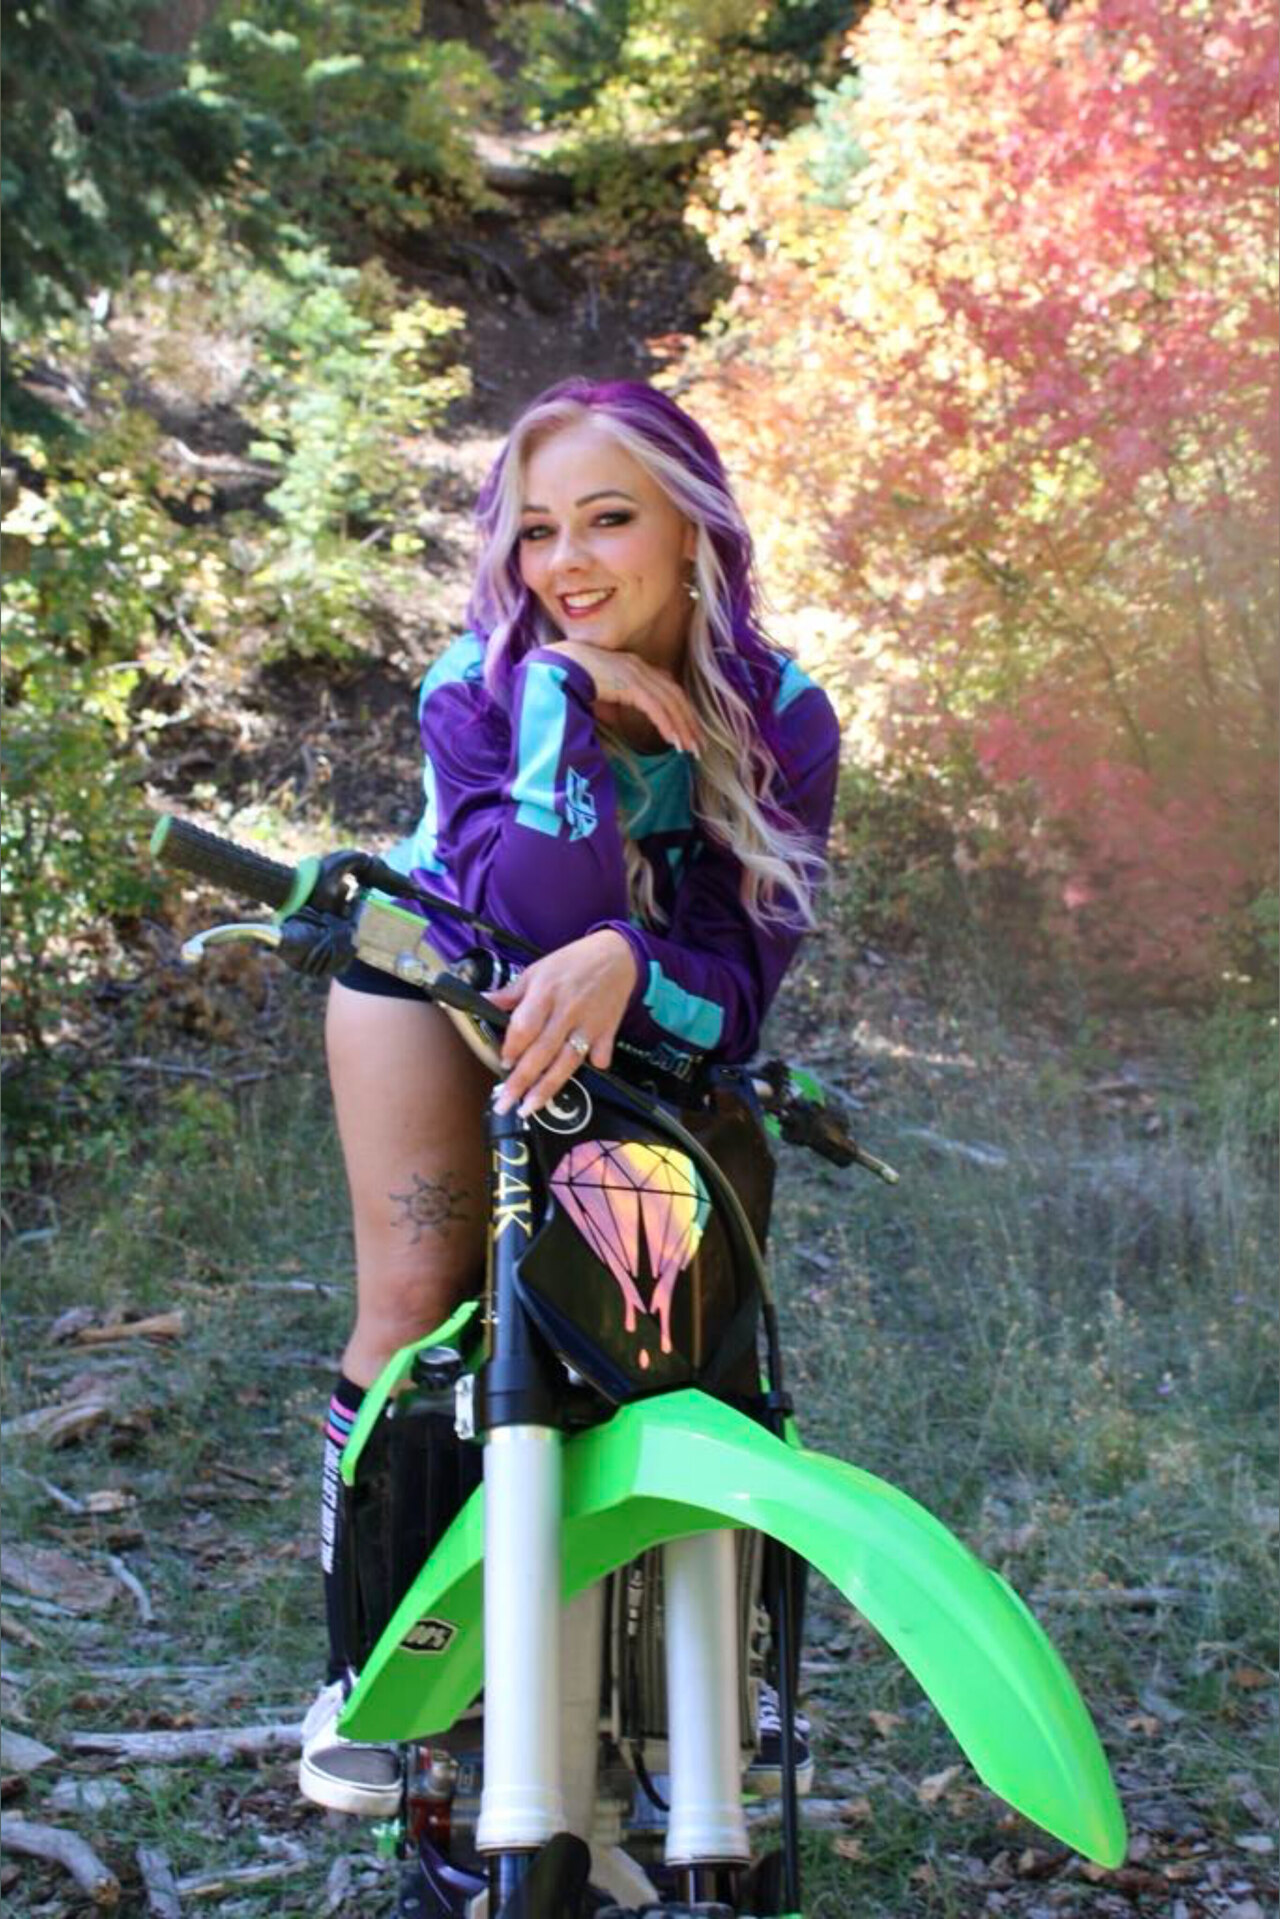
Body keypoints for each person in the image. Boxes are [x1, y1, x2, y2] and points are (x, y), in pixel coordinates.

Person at [300, 377, 842, 1816]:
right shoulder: (478, 684)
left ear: (692, 531)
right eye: (535, 531)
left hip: (646, 1015)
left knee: (691, 1322)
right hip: (436, 985)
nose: (566, 565)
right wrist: (557, 696)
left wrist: (628, 960)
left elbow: (736, 984)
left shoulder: (783, 715)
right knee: (418, 1301)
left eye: (609, 520)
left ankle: (722, 1666)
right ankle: (369, 1665)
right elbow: (528, 913)